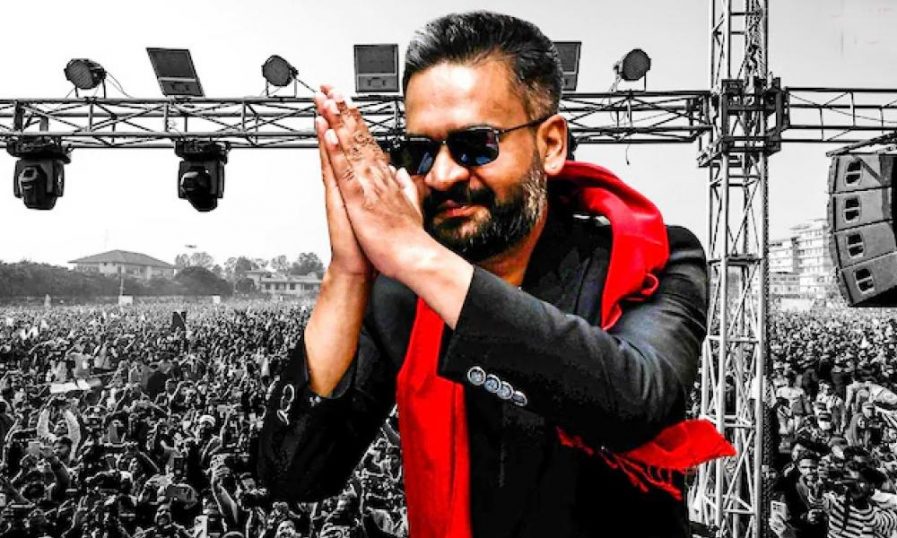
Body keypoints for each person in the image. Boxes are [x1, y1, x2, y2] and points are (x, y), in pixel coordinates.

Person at [256, 10, 731, 538]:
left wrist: (418, 256)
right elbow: (295, 471)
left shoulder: (655, 257)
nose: (442, 175)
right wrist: (347, 272)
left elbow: (638, 399)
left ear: (550, 145)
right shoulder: (401, 292)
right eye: (421, 151)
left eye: (475, 144)